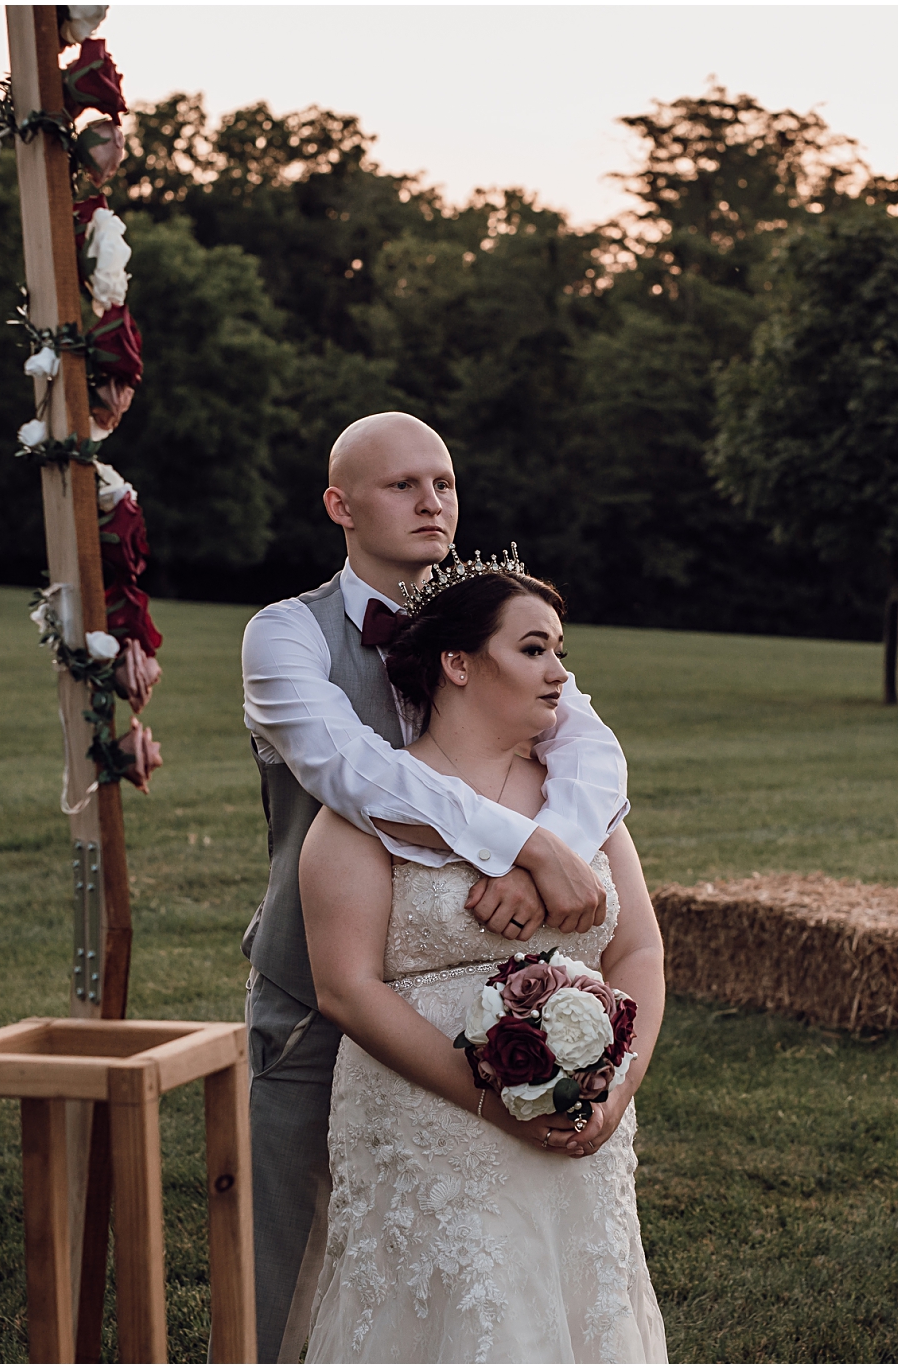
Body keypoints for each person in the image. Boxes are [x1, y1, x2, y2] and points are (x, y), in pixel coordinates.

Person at [240, 412, 631, 1362]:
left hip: (490, 989)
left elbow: (596, 758)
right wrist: (521, 849)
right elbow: (354, 773)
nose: (431, 501)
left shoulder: (492, 628)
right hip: (315, 994)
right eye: (401, 485)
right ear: (339, 505)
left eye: (445, 483)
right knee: (283, 1271)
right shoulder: (284, 636)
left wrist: (547, 863)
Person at [298, 559, 667, 1362]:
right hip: (432, 1132)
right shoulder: (368, 813)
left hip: (584, 1129)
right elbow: (347, 987)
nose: (560, 672)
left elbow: (638, 947)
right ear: (458, 664)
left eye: (561, 650)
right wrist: (492, 1104)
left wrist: (615, 1089)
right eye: (534, 649)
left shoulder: (585, 800)